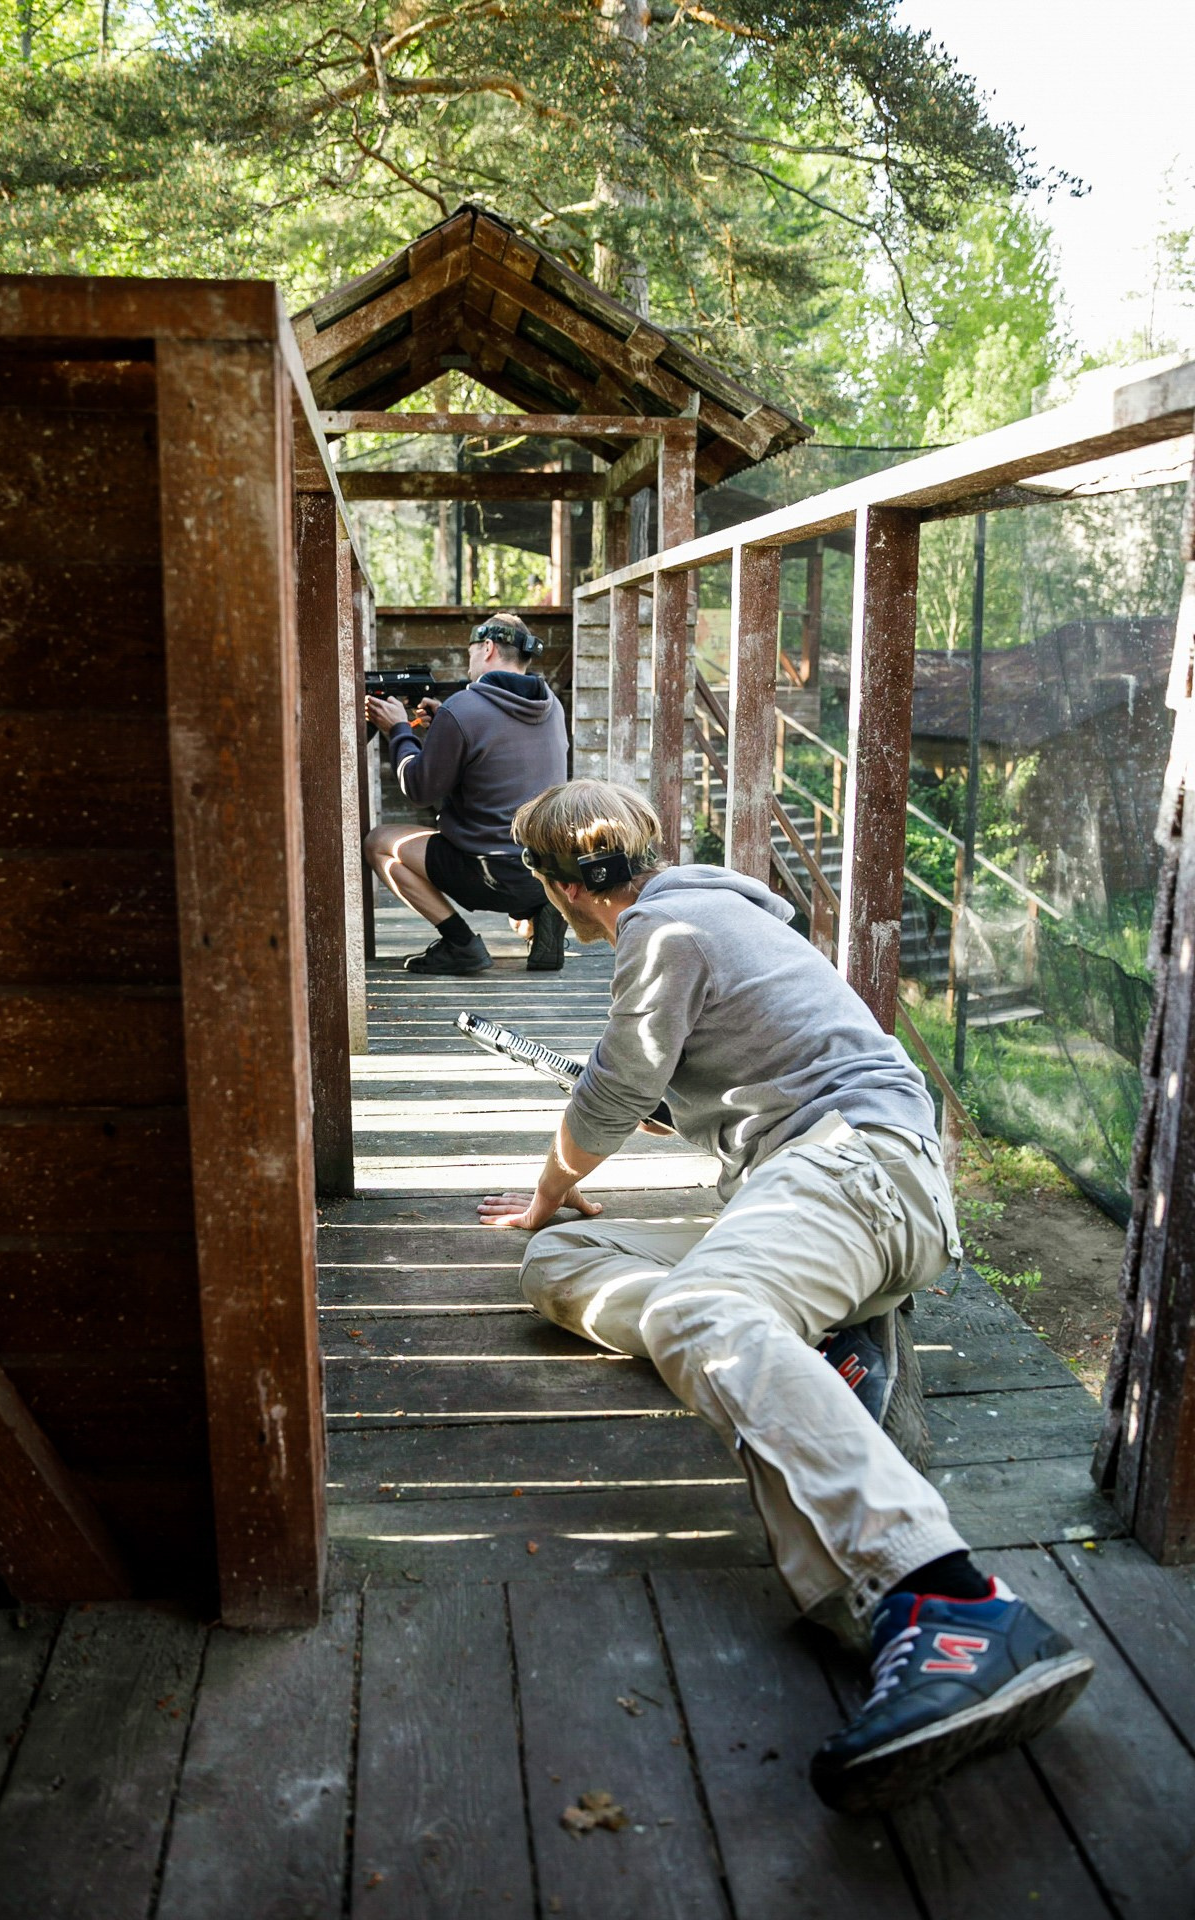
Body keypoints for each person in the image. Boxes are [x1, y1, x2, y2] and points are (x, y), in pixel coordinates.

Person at [478, 778, 1094, 1814]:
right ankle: (823, 1349)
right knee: (557, 1270)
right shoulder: (715, 911)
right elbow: (719, 1081)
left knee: (694, 1315)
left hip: (854, 1171)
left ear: (557, 885)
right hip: (818, 1181)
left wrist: (550, 1189)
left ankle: (945, 1602)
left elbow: (614, 1090)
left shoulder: (664, 930)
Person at [364, 613, 569, 976]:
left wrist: (398, 729)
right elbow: (497, 749)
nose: (469, 660)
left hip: (488, 874)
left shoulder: (465, 708)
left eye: (472, 650)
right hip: (545, 872)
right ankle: (542, 912)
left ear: (488, 648)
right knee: (519, 909)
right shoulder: (551, 706)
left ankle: (460, 944)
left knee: (380, 843)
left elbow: (418, 789)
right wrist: (446, 720)